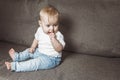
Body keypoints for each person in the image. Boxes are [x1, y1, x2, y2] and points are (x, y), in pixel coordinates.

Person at [5, 5, 65, 72]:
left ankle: (14, 66)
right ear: (40, 23)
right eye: (48, 25)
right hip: (40, 52)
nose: (52, 28)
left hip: (52, 59)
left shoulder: (58, 35)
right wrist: (33, 47)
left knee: (35, 63)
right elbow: (36, 39)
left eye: (55, 25)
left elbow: (59, 49)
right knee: (29, 51)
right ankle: (17, 57)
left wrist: (53, 39)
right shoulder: (39, 30)